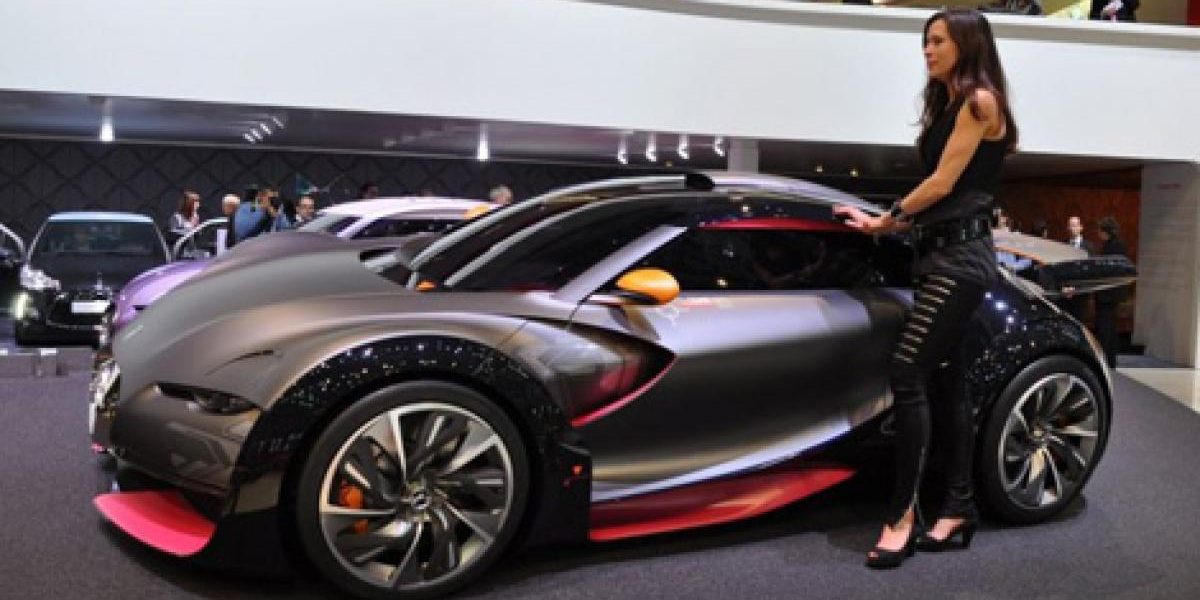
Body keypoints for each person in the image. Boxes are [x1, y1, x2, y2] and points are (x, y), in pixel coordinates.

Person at [834, 7, 1016, 568]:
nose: (927, 50)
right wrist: (890, 227)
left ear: (966, 43)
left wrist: (882, 221)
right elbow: (942, 194)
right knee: (949, 382)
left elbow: (941, 184)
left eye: (937, 40)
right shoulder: (950, 104)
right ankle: (957, 507)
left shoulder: (980, 101)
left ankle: (902, 516)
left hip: (961, 261)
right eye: (925, 41)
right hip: (938, 256)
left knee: (908, 372)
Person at [1094, 216, 1128, 368]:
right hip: (1109, 293)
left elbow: (1111, 269)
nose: (1098, 234)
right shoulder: (1113, 245)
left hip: (1109, 293)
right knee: (1109, 327)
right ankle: (1109, 359)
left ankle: (1106, 359)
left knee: (1105, 328)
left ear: (1105, 231)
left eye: (1100, 230)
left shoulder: (1115, 246)